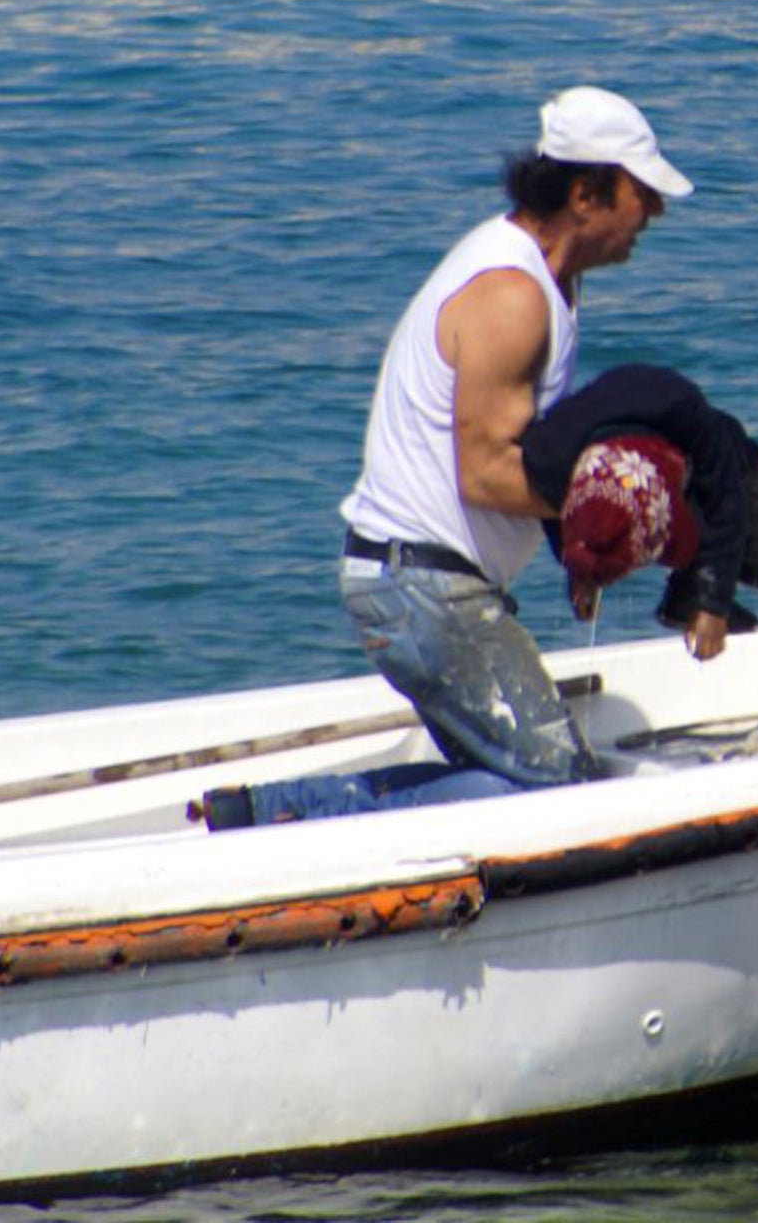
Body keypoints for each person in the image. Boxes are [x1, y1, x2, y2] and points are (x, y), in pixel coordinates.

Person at [203, 86, 698, 828]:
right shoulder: (512, 296)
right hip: (420, 587)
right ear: (587, 194)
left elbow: (514, 456)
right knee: (556, 792)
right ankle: (283, 814)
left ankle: (267, 814)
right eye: (642, 192)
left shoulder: (546, 279)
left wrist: (580, 549)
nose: (655, 213)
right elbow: (489, 473)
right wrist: (626, 510)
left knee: (514, 785)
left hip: (421, 579)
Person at [521, 361, 758, 654]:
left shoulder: (688, 419)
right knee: (606, 517)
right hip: (594, 433)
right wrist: (582, 573)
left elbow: (726, 505)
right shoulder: (547, 458)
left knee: (742, 463)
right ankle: (685, 598)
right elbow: (557, 518)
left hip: (672, 421)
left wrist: (713, 603)